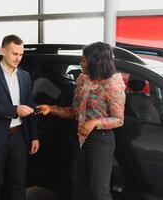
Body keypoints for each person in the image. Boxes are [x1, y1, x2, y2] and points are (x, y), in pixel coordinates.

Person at [37, 42, 126, 200]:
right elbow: (74, 112)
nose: (80, 63)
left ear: (95, 62)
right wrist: (51, 109)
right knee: (79, 188)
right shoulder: (83, 81)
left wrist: (94, 122)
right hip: (80, 138)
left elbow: (119, 119)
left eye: (84, 60)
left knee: (99, 192)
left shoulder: (112, 85)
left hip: (101, 140)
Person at [0, 34, 40, 200]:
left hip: (20, 137)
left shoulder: (25, 76)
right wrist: (15, 110)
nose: (18, 58)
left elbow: (29, 105)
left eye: (21, 54)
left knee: (19, 184)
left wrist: (34, 136)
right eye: (15, 54)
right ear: (3, 51)